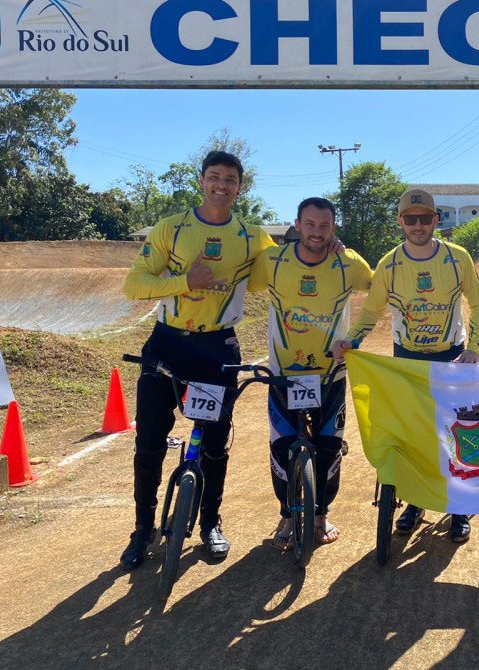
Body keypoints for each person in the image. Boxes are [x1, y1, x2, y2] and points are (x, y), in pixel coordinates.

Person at [120, 150, 276, 570]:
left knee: (213, 445)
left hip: (216, 351)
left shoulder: (253, 235)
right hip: (168, 346)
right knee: (149, 443)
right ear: (202, 181)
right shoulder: (171, 228)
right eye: (213, 177)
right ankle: (141, 529)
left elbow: (288, 266)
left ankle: (210, 523)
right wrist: (184, 281)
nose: (220, 185)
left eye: (229, 179)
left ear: (240, 187)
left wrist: (326, 240)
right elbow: (134, 285)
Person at [332, 189, 479, 543]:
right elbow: (371, 311)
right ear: (400, 222)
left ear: (437, 220)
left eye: (425, 218)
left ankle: (459, 507)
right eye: (410, 219)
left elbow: (478, 304)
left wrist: (474, 347)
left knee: (456, 433)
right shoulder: (389, 264)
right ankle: (416, 502)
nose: (418, 225)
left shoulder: (457, 257)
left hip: (451, 356)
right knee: (414, 434)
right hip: (409, 359)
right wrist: (352, 341)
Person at [250, 197, 372, 549]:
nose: (317, 232)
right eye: (310, 224)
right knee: (282, 447)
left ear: (333, 227)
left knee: (329, 448)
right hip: (283, 375)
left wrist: (356, 338)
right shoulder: (272, 261)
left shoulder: (348, 262)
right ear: (297, 224)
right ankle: (286, 517)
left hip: (330, 374)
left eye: (324, 225)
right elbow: (241, 280)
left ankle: (321, 515)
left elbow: (379, 291)